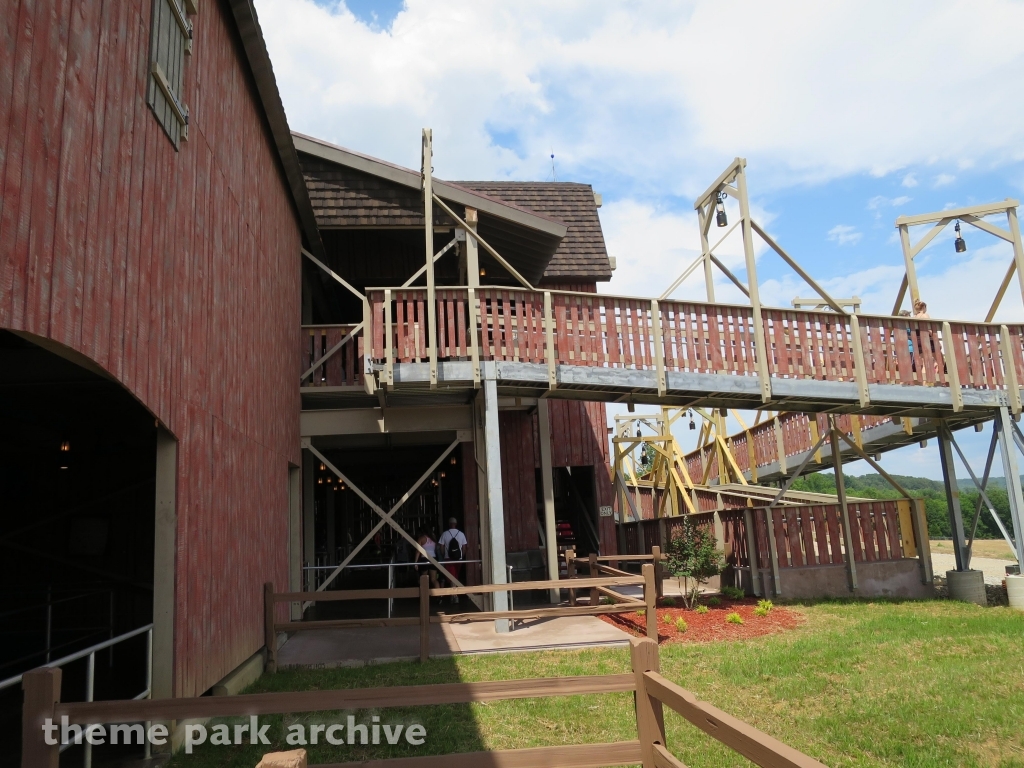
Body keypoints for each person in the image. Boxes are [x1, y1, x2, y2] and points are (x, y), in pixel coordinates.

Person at [437, 517, 467, 604]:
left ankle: (454, 595)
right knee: (455, 576)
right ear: (456, 524)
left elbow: (441, 546)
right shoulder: (461, 534)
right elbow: (464, 547)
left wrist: (443, 555)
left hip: (448, 558)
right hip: (459, 558)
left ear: (449, 524)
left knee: (451, 576)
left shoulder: (445, 534)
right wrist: (461, 555)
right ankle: (454, 595)